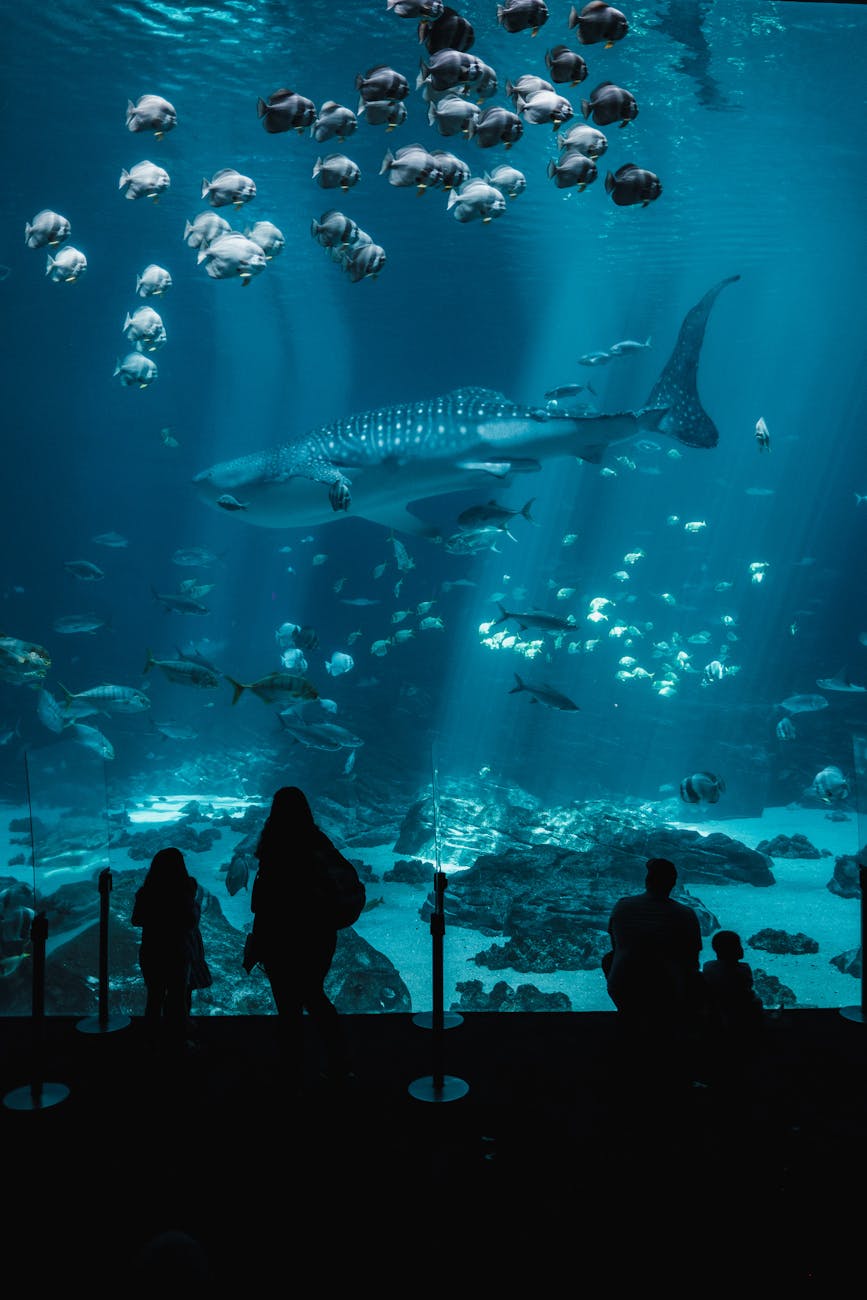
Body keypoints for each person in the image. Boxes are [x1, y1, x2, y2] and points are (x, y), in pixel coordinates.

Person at [249, 786, 351, 1085]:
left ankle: (292, 1072)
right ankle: (338, 1064)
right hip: (316, 935)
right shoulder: (317, 842)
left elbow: (262, 903)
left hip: (278, 937)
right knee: (315, 996)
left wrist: (260, 939)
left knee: (288, 1005)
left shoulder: (270, 846)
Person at [604, 857, 705, 1069]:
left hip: (624, 987)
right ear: (673, 883)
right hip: (667, 992)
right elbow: (692, 959)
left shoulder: (622, 907)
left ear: (646, 882)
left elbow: (615, 944)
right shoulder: (685, 914)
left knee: (610, 959)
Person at [131, 847, 205, 1052]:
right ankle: (178, 1043)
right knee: (177, 999)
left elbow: (136, 920)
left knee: (154, 998)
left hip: (152, 952)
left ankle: (151, 1043)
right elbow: (191, 921)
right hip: (177, 952)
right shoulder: (186, 888)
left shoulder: (146, 891)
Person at [702, 929, 764, 1041]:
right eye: (738, 945)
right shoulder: (743, 970)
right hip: (740, 1019)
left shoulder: (708, 967)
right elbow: (747, 995)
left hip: (715, 1019)